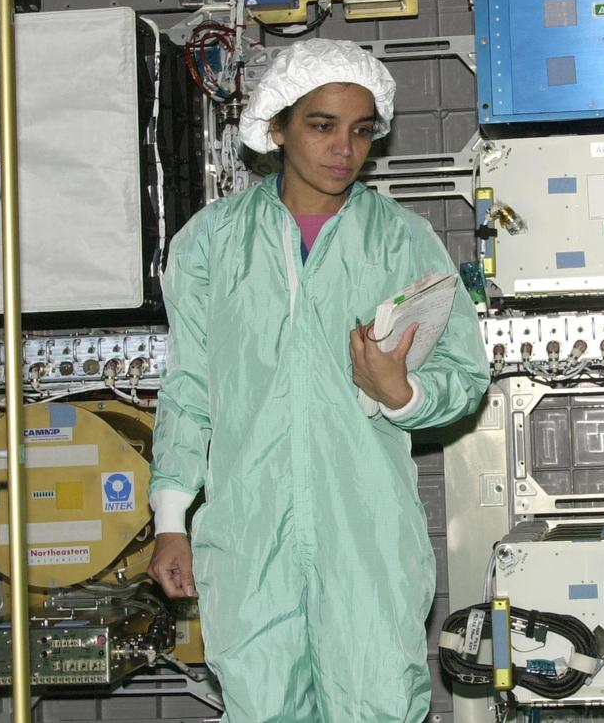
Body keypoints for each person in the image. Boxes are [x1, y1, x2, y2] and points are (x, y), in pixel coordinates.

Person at [146, 38, 490, 722]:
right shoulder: (211, 244)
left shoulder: (401, 240)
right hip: (247, 537)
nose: (345, 148)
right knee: (262, 704)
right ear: (276, 126)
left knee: (377, 703)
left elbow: (466, 373)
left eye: (362, 130)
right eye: (322, 125)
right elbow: (190, 389)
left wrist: (404, 393)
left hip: (363, 533)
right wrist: (170, 520)